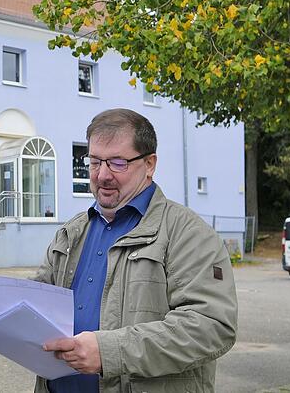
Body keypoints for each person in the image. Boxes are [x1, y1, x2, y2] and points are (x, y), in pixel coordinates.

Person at [33, 108, 237, 392]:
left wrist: (109, 352)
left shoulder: (188, 233)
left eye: (117, 162)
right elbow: (35, 303)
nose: (102, 175)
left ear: (150, 164)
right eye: (94, 161)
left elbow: (211, 327)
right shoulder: (71, 233)